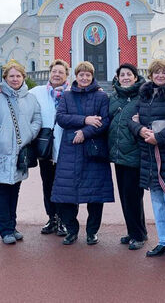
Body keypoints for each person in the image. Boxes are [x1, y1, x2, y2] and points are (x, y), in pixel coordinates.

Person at [128, 59, 165, 264]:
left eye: (164, 72)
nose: (160, 76)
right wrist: (140, 130)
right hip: (149, 156)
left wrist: (159, 137)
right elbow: (132, 119)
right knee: (157, 202)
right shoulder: (145, 95)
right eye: (156, 72)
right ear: (151, 75)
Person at [51, 61, 113, 246]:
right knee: (66, 194)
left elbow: (104, 121)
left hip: (93, 151)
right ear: (75, 77)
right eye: (81, 75)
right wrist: (85, 119)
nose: (84, 78)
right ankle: (72, 230)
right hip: (70, 151)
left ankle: (92, 231)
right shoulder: (68, 96)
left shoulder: (101, 97)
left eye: (88, 75)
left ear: (92, 76)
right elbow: (61, 117)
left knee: (95, 195)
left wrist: (84, 132)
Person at [0, 61, 42, 244]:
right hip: (1, 150)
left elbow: (37, 118)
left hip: (20, 151)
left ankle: (12, 225)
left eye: (18, 76)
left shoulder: (30, 98)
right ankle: (5, 229)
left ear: (24, 77)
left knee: (15, 190)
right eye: (11, 76)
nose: (15, 79)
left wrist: (30, 133)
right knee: (1, 190)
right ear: (5, 78)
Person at [108, 63, 147, 250]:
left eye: (129, 74)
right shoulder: (114, 98)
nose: (125, 77)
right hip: (118, 155)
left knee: (133, 196)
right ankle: (135, 231)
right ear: (117, 78)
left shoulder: (142, 97)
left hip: (134, 154)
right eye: (122, 75)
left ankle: (138, 235)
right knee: (125, 195)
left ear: (135, 77)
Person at [29, 59, 70, 237]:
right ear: (50, 73)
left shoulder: (73, 92)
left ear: (66, 75)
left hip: (67, 149)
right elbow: (17, 94)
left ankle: (65, 220)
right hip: (46, 148)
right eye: (54, 71)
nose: (57, 75)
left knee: (65, 186)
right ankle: (52, 218)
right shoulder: (38, 92)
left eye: (61, 72)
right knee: (48, 184)